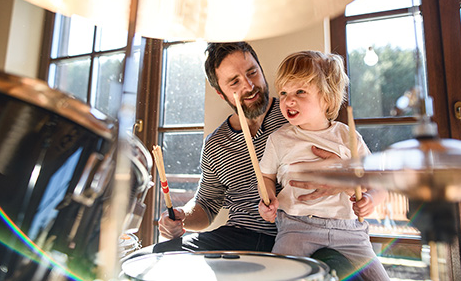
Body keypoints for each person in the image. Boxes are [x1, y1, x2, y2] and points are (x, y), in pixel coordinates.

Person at [127, 42, 358, 277]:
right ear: (221, 92)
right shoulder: (216, 143)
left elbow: (350, 159)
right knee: (143, 262)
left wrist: (344, 177)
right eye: (234, 82)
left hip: (298, 233)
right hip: (237, 237)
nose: (249, 86)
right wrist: (181, 217)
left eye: (252, 72)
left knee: (342, 272)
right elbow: (207, 205)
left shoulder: (298, 112)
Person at [257, 50, 390, 280]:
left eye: (300, 91)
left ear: (327, 98)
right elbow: (266, 177)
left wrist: (371, 199)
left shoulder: (348, 137)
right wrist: (268, 200)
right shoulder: (279, 139)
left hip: (350, 231)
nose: (289, 99)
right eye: (284, 92)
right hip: (297, 227)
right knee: (276, 276)